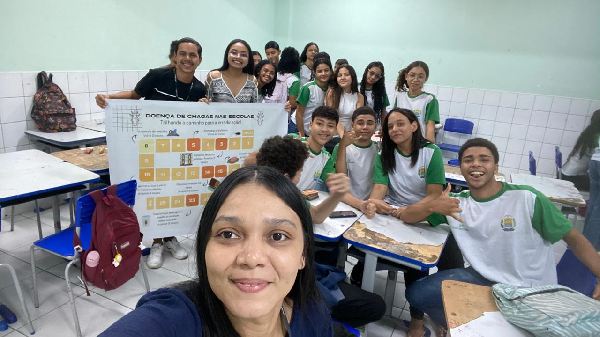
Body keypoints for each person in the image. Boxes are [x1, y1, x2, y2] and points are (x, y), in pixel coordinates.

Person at [99, 166, 335, 336]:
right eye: (228, 234)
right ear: (204, 246)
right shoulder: (176, 319)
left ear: (303, 255)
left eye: (278, 236)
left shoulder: (313, 314)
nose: (251, 259)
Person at [403, 138, 600, 336]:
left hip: (529, 288)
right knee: (417, 293)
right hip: (483, 278)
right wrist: (431, 206)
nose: (476, 164)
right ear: (461, 169)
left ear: (496, 167)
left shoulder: (527, 198)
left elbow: (574, 238)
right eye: (468, 160)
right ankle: (455, 326)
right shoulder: (456, 204)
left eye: (484, 159)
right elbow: (407, 216)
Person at [95, 37, 206, 269]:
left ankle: (171, 239)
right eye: (182, 54)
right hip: (152, 148)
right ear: (174, 57)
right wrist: (109, 98)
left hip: (180, 150)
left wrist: (205, 105)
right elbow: (135, 96)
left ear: (199, 60)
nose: (187, 59)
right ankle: (156, 242)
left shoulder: (199, 89)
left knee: (175, 192)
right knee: (156, 194)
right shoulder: (157, 76)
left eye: (192, 55)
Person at [254, 136, 384, 329]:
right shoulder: (287, 201)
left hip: (285, 279)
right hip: (287, 285)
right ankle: (316, 319)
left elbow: (316, 216)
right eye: (300, 171)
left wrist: (338, 195)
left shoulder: (271, 190)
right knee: (374, 306)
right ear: (289, 176)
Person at [364, 108, 462, 337]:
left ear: (414, 126)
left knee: (450, 262)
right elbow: (380, 187)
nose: (394, 130)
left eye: (400, 124)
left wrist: (412, 211)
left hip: (428, 213)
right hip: (395, 213)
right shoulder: (384, 154)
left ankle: (443, 316)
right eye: (390, 127)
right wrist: (374, 202)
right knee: (413, 260)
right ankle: (417, 321)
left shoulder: (431, 152)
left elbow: (434, 194)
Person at [331, 107, 379, 217]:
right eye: (360, 123)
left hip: (372, 205)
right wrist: (360, 204)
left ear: (375, 126)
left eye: (370, 123)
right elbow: (340, 184)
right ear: (352, 126)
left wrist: (370, 204)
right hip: (346, 204)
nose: (365, 127)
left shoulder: (378, 149)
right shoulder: (341, 147)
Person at [393, 61, 439, 143]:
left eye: (420, 77)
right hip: (400, 143)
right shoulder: (400, 97)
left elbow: (430, 128)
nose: (415, 79)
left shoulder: (429, 99)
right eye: (412, 75)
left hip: (418, 143)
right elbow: (394, 121)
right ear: (406, 76)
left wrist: (429, 147)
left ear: (426, 79)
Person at [206, 39, 258, 103]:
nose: (238, 57)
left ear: (248, 59)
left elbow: (254, 108)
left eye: (243, 55)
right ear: (227, 54)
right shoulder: (214, 77)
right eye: (234, 53)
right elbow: (205, 105)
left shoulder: (252, 80)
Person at [290, 58, 332, 136]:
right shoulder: (308, 88)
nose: (323, 73)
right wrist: (302, 137)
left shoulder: (332, 89)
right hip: (297, 128)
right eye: (319, 71)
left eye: (326, 70)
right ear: (315, 73)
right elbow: (299, 115)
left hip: (313, 131)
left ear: (331, 71)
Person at [561, 109, 600, 191]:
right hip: (572, 177)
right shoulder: (596, 136)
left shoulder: (589, 132)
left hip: (565, 173)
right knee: (596, 186)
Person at [325, 64, 364, 139]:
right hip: (333, 136)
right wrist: (343, 137)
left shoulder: (359, 97)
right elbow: (333, 117)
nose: (342, 78)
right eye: (339, 75)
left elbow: (357, 119)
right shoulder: (332, 92)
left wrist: (352, 136)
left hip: (350, 136)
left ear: (352, 77)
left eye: (346, 75)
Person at [584, 110, 600, 250]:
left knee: (594, 202)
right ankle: (590, 247)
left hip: (595, 163)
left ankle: (586, 239)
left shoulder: (596, 132)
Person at [359, 61, 390, 129]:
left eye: (377, 76)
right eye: (371, 73)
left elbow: (383, 112)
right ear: (367, 71)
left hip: (376, 128)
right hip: (359, 126)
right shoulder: (356, 88)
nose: (373, 77)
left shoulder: (381, 91)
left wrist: (383, 128)